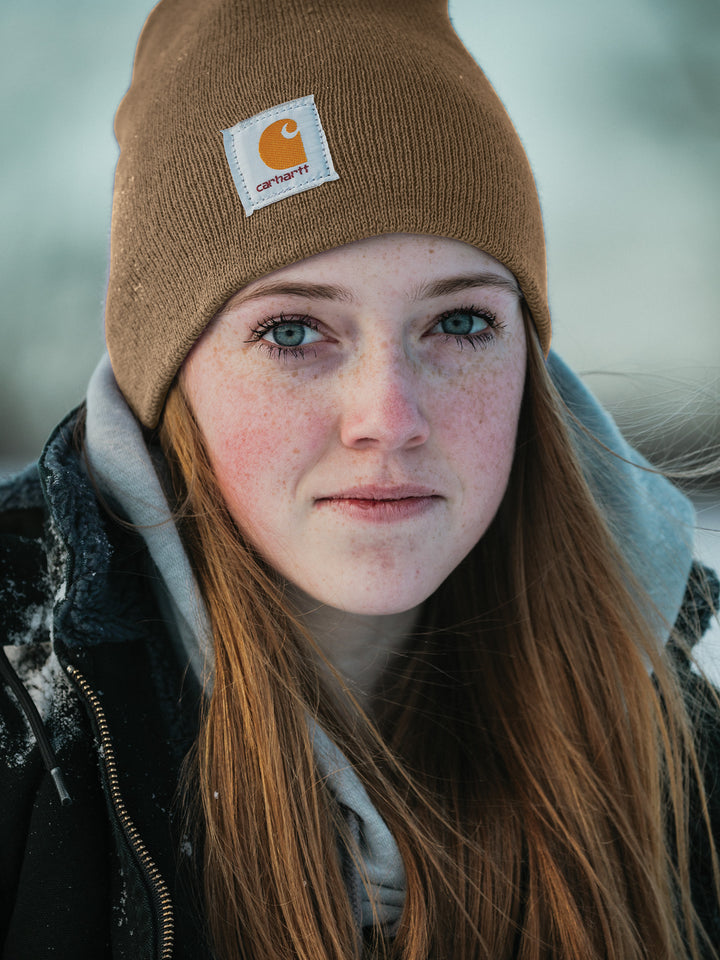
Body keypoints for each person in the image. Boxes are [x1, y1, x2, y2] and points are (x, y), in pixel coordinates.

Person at [0, 0, 718, 957]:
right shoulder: (24, 726)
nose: (389, 417)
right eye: (293, 330)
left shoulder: (663, 743)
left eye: (458, 323)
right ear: (166, 381)